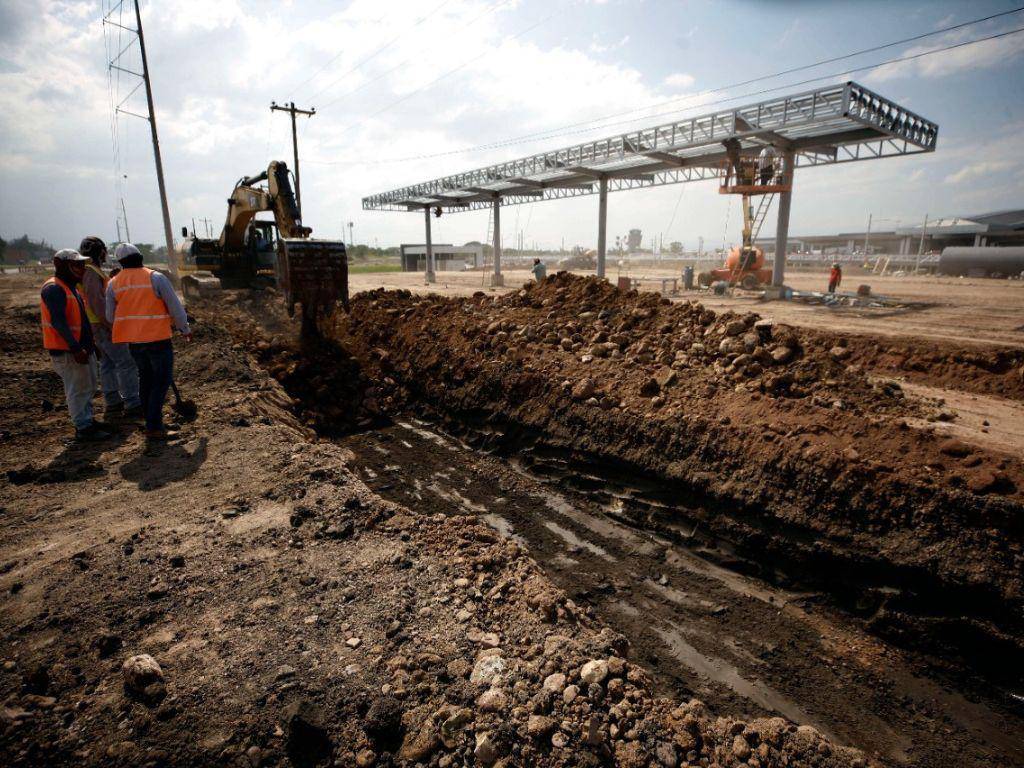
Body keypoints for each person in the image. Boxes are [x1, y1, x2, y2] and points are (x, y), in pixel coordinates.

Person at [105, 243, 192, 440]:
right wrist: (184, 328)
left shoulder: (113, 284)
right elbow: (175, 307)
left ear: (120, 263)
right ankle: (154, 427)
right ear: (141, 257)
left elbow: (110, 317)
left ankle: (152, 422)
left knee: (145, 381)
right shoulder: (155, 278)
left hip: (134, 343)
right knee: (160, 383)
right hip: (157, 339)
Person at [40, 249, 113, 441]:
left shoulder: (70, 287)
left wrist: (90, 344)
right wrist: (75, 347)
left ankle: (87, 419)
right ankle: (83, 427)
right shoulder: (54, 289)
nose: (81, 269)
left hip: (81, 348)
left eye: (82, 265)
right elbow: (59, 322)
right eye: (76, 265)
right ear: (60, 265)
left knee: (87, 386)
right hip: (68, 351)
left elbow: (79, 319)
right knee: (78, 389)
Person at [79, 236, 141, 417]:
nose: (106, 254)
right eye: (104, 250)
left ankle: (113, 401)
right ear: (100, 252)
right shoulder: (91, 272)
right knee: (126, 362)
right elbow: (97, 302)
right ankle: (132, 402)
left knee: (107, 363)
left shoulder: (91, 271)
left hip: (97, 326)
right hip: (103, 326)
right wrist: (111, 325)